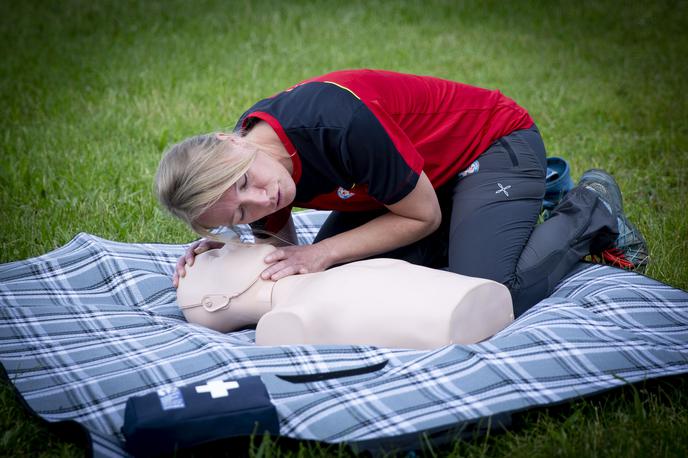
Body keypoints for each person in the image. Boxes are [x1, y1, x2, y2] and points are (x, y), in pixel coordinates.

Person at [156, 69, 648, 317]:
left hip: (493, 145)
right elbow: (283, 251)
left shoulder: (333, 122)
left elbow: (421, 217)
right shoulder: (258, 168)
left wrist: (321, 251)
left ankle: (589, 208)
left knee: (490, 294)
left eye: (245, 183)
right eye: (240, 211)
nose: (265, 202)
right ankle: (486, 219)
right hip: (419, 186)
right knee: (336, 286)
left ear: (229, 142)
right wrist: (233, 255)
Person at [176, 242, 514, 349]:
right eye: (219, 257)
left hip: (474, 297)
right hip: (459, 319)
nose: (231, 245)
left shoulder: (321, 277)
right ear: (215, 301)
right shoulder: (285, 320)